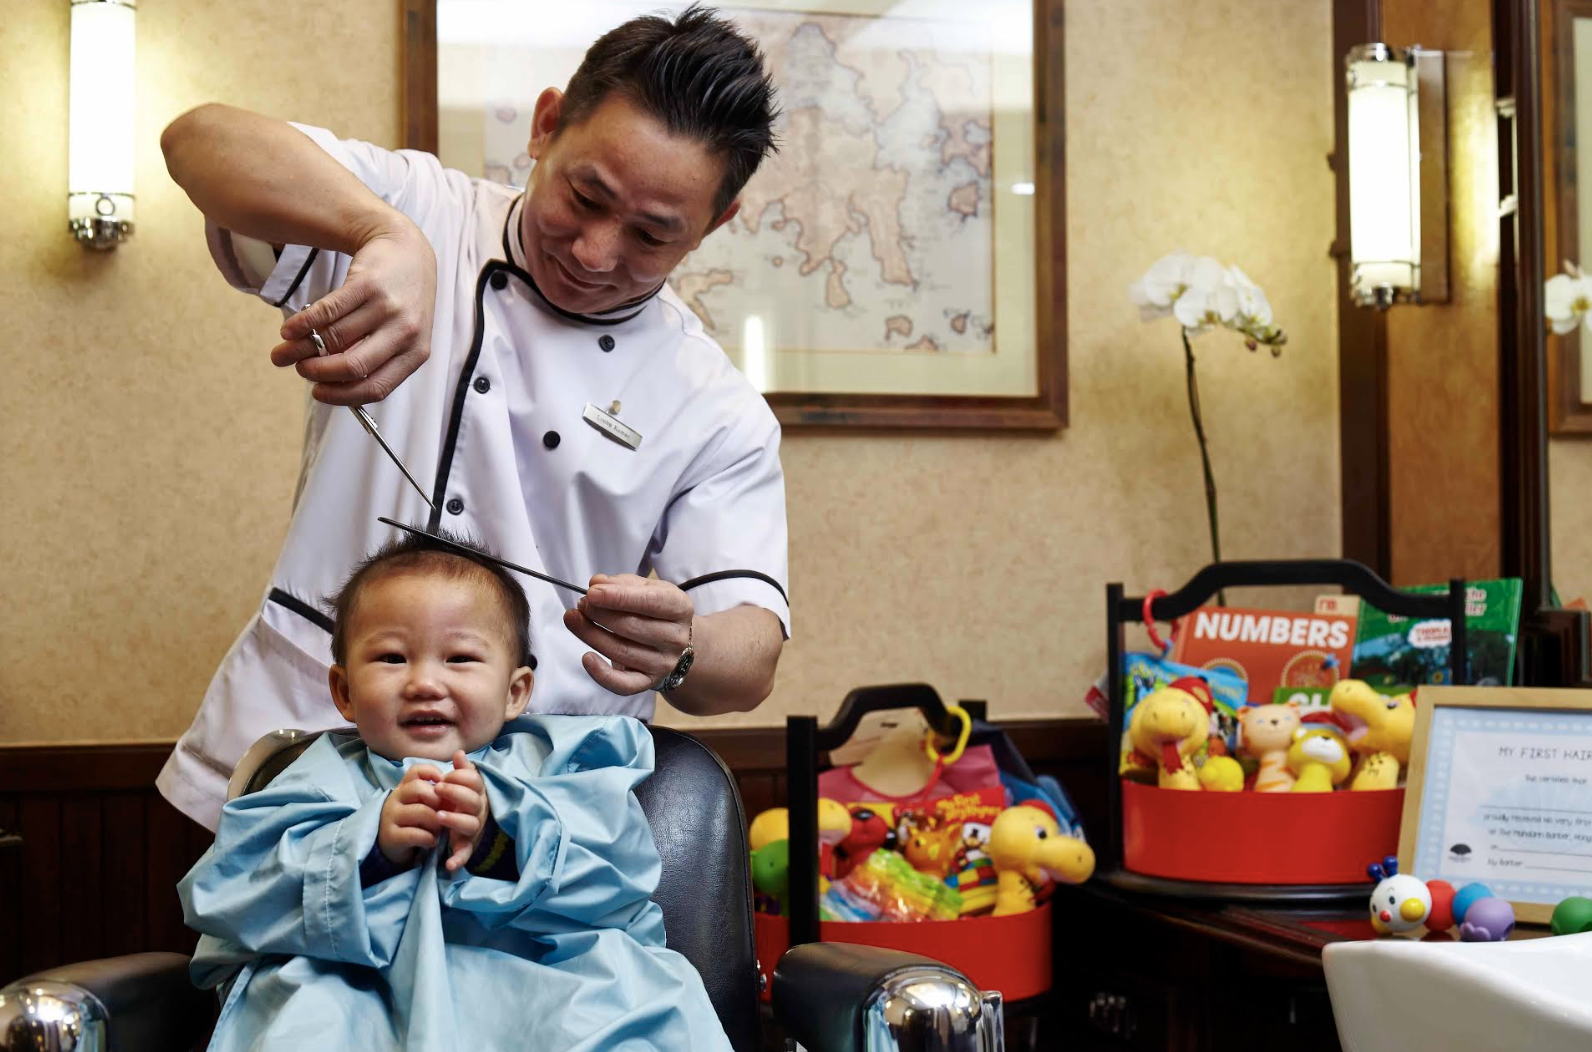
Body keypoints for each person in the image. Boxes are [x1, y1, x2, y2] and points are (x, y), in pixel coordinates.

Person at [157, 4, 791, 831]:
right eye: (585, 195)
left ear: (715, 224)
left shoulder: (716, 408)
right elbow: (197, 140)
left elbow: (749, 660)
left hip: (537, 823)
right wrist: (382, 234)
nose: (596, 253)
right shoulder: (419, 206)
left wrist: (685, 644)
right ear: (546, 124)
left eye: (651, 234)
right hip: (305, 778)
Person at [178, 530, 732, 1052]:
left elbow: (619, 878)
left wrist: (501, 835)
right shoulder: (315, 777)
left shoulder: (565, 765)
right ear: (343, 692)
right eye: (391, 657)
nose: (424, 682)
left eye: (460, 658)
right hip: (362, 1002)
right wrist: (370, 845)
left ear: (516, 691)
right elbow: (232, 893)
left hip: (549, 996)